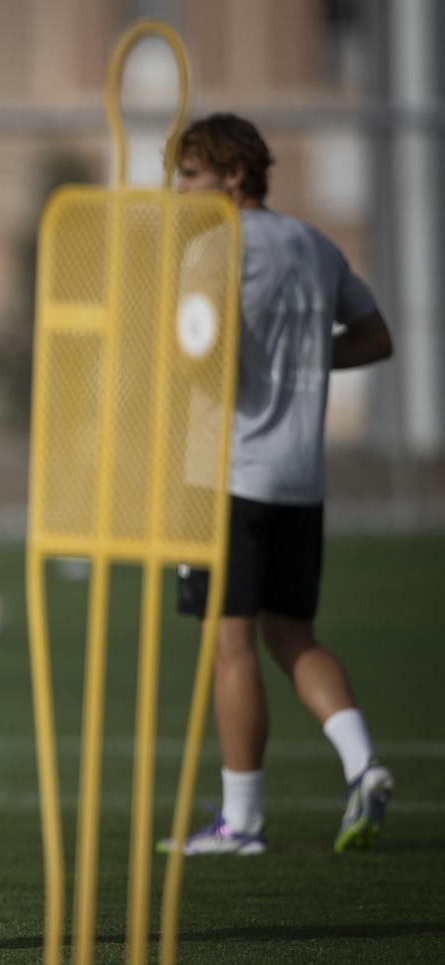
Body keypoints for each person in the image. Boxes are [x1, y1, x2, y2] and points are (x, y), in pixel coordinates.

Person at [164, 113, 394, 856]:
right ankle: (362, 765)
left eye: (192, 175)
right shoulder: (315, 245)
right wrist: (297, 365)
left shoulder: (212, 248)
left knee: (229, 647)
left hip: (225, 475)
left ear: (234, 174)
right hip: (299, 477)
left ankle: (242, 822)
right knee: (294, 635)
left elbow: (194, 356)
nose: (181, 188)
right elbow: (374, 336)